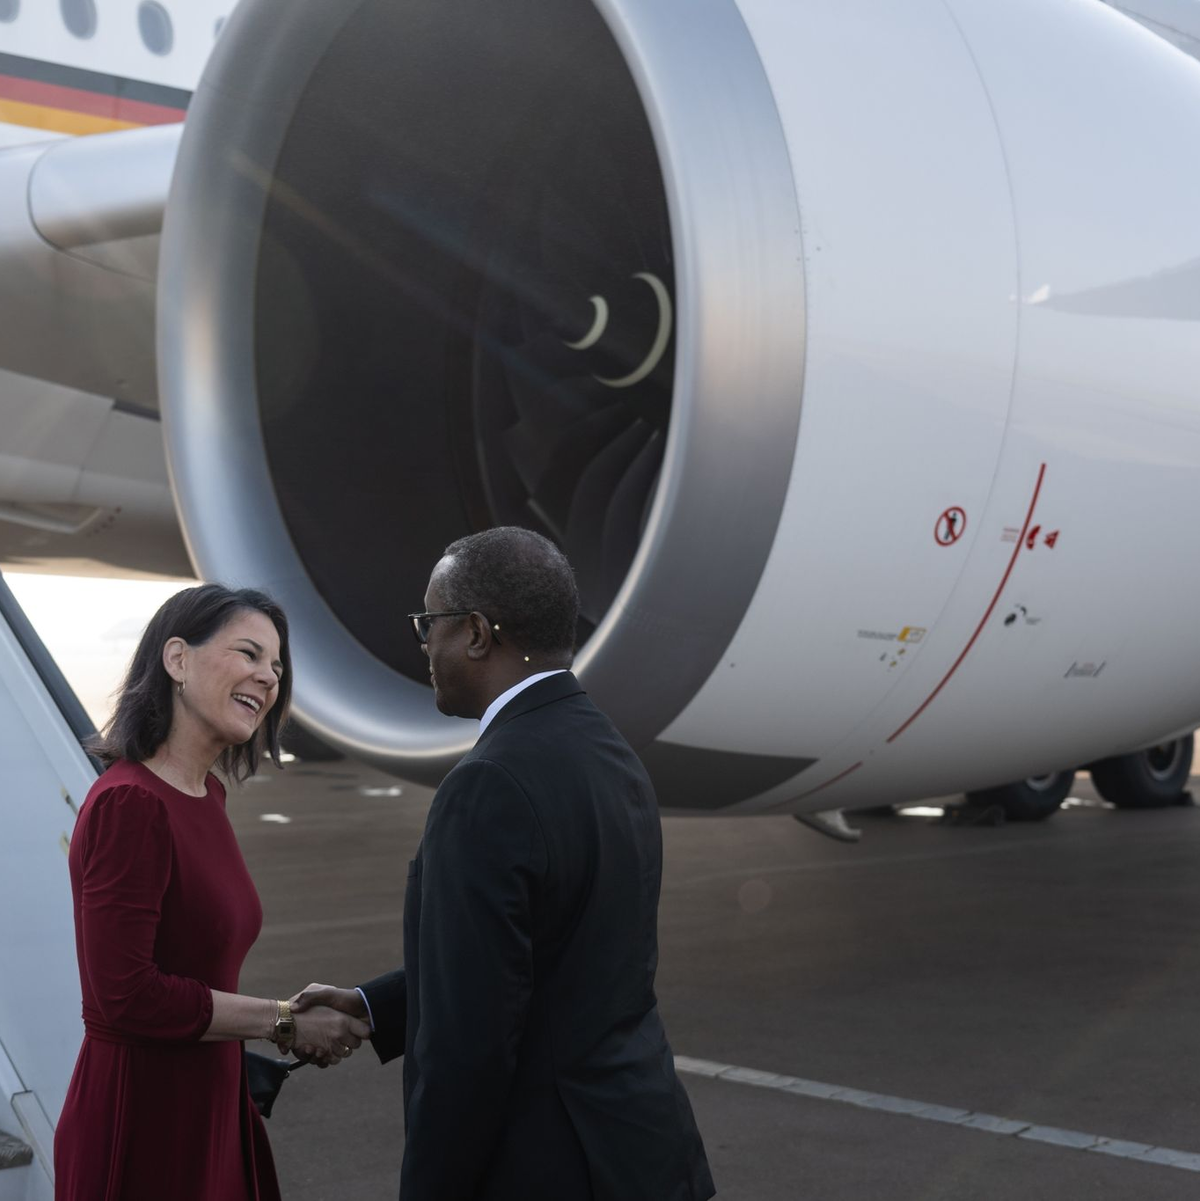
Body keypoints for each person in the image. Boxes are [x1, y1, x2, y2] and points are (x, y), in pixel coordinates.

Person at [294, 527, 715, 1200]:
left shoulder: (488, 784)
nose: (425, 644)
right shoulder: (611, 755)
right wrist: (378, 1004)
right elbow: (554, 952)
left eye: (428, 623)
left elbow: (470, 1047)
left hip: (550, 1165)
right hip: (643, 1152)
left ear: (477, 633)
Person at [53, 584, 370, 1201]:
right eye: (249, 653)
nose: (268, 677)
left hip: (208, 1099)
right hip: (144, 1116)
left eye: (276, 666)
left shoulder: (206, 795)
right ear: (177, 660)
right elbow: (125, 997)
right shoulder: (131, 803)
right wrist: (280, 1021)